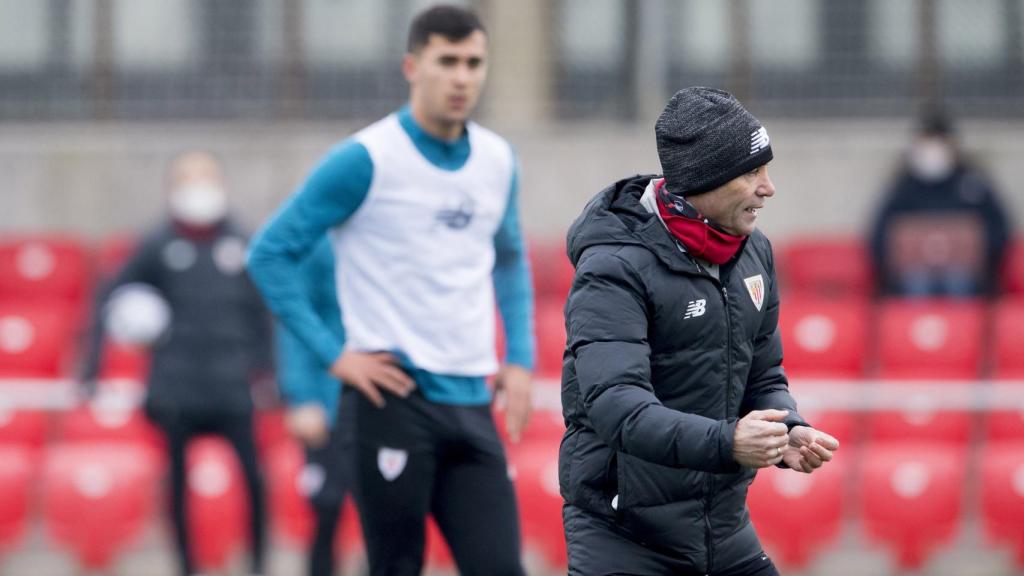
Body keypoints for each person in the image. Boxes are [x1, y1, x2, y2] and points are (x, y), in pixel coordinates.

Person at [246, 5, 535, 575]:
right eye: (447, 61)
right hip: (390, 402)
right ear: (412, 66)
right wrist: (334, 357)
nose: (461, 76)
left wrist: (520, 358)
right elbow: (269, 254)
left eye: (474, 62)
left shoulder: (498, 160)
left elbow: (508, 259)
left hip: (472, 402)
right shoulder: (365, 159)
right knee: (397, 566)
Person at [558, 87, 841, 576]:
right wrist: (728, 443)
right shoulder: (613, 266)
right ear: (702, 179)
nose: (768, 187)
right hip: (626, 540)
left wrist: (786, 427)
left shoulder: (755, 252)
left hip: (724, 530)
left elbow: (763, 375)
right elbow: (618, 409)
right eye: (752, 171)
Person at [80, 150, 271, 576]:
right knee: (177, 486)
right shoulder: (157, 243)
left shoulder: (242, 241)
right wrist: (93, 367)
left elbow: (264, 314)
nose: (198, 186)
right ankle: (185, 566)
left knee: (255, 480)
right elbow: (107, 295)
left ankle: (258, 564)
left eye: (206, 176)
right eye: (189, 178)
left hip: (232, 386)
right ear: (172, 188)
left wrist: (268, 373)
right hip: (176, 389)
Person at [274, 237, 355, 576]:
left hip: (389, 403)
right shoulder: (321, 246)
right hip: (330, 401)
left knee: (390, 518)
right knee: (327, 509)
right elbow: (296, 321)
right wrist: (302, 395)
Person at [869, 110, 1011, 297]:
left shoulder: (972, 184)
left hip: (967, 276)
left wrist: (978, 256)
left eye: (938, 142)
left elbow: (997, 229)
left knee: (958, 281)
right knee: (916, 282)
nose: (933, 150)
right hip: (911, 277)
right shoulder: (903, 187)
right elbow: (881, 235)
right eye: (926, 141)